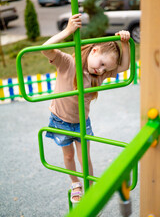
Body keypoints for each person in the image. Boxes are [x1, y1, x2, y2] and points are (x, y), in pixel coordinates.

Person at [42, 14, 130, 204]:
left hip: (82, 121)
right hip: (60, 119)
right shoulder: (68, 63)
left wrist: (125, 43)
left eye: (106, 69)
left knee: (85, 158)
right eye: (102, 64)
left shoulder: (98, 76)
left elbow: (123, 67)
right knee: (68, 155)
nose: (101, 70)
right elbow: (45, 48)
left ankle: (89, 187)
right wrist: (67, 31)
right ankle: (75, 184)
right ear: (94, 51)